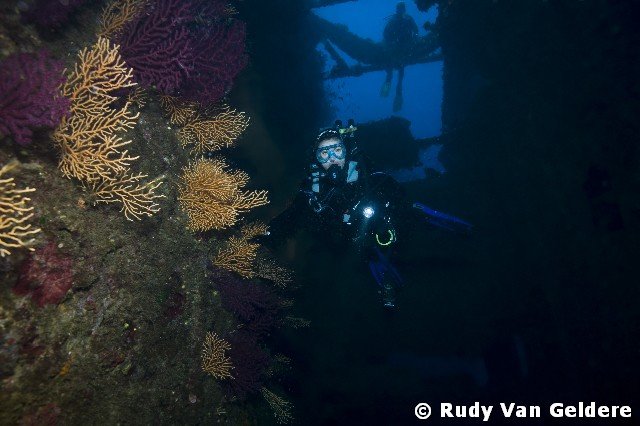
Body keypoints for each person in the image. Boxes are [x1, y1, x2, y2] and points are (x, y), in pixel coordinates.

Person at [261, 120, 471, 309]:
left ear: (346, 152)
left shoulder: (366, 177)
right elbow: (289, 218)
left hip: (385, 231)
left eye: (337, 151)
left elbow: (392, 189)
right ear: (316, 160)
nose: (332, 159)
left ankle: (435, 220)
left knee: (410, 218)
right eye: (324, 154)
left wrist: (388, 209)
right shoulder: (312, 193)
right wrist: (262, 237)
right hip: (355, 246)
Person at [380, 2, 419, 112]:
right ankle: (391, 93)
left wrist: (415, 39)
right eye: (399, 9)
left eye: (401, 9)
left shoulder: (406, 19)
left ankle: (395, 95)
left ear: (403, 10)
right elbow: (386, 35)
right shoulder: (395, 20)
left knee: (397, 73)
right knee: (393, 73)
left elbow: (416, 30)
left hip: (402, 49)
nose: (400, 11)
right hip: (396, 49)